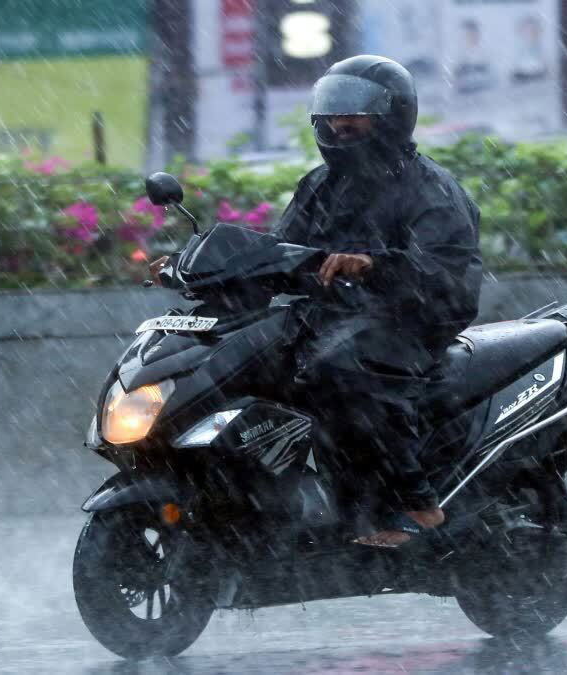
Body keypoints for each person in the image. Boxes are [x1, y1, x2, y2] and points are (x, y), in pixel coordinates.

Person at [152, 56, 482, 547]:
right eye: (330, 113)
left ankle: (416, 507)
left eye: (354, 114)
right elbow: (280, 256)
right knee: (246, 360)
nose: (337, 124)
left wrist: (374, 265)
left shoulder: (430, 190)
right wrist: (200, 271)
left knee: (340, 370)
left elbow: (447, 270)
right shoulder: (320, 185)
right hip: (334, 315)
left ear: (393, 117)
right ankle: (260, 502)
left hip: (410, 321)